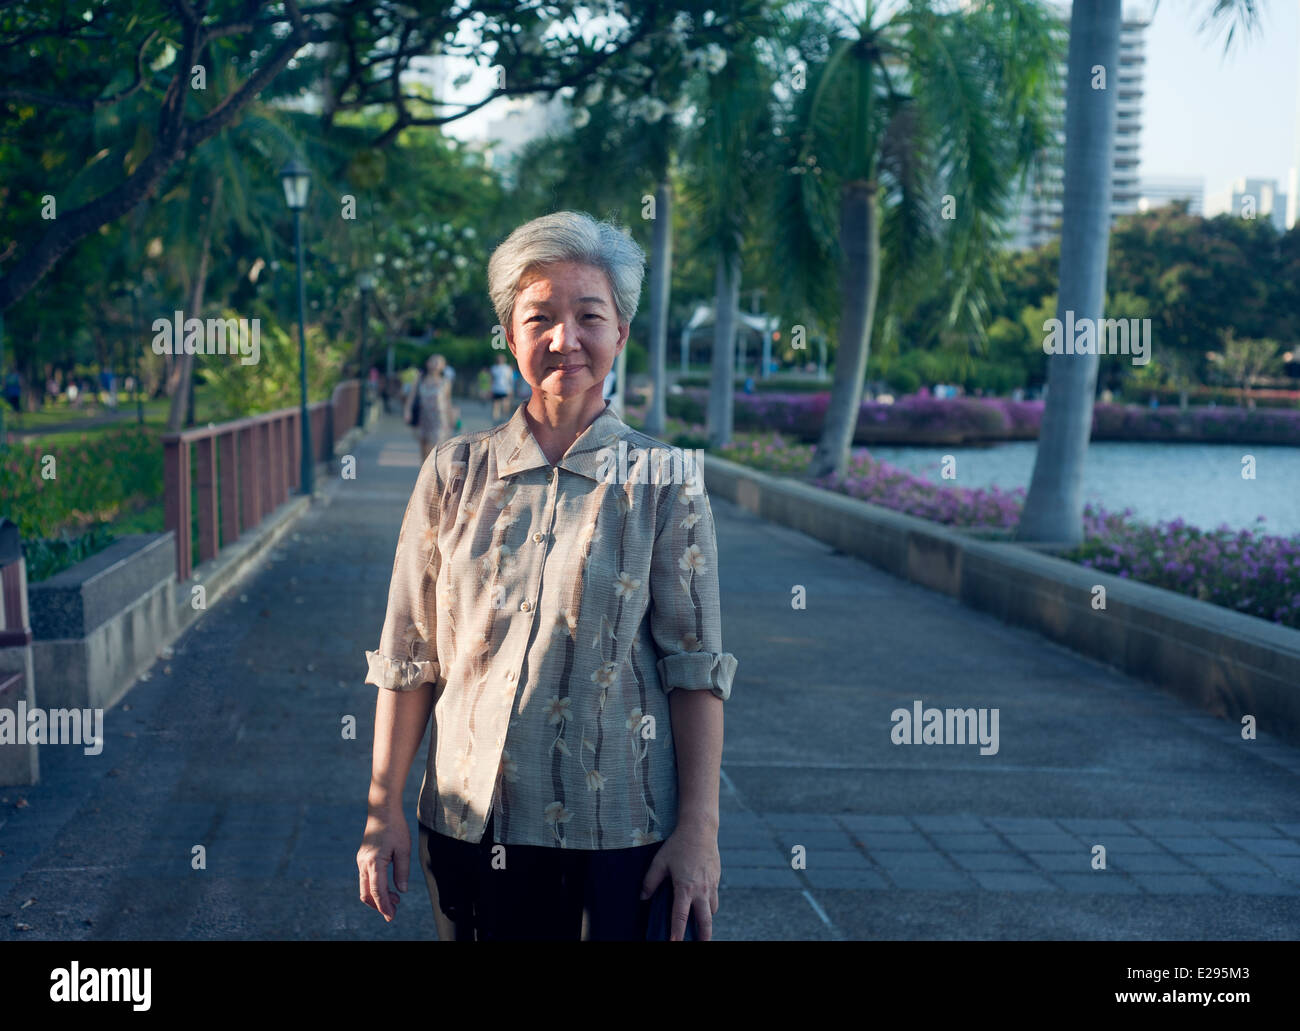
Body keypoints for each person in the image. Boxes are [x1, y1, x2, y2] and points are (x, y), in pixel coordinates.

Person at [358, 210, 737, 942]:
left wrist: (700, 833)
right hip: (469, 823)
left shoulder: (664, 480)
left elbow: (695, 668)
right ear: (510, 336)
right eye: (540, 317)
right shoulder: (452, 473)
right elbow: (409, 655)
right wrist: (382, 814)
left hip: (620, 835)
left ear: (621, 332)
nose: (565, 338)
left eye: (589, 315)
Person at [404, 355, 453, 462]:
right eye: (433, 361)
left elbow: (448, 402)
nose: (435, 365)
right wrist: (407, 411)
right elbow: (411, 397)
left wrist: (452, 419)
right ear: (427, 364)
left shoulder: (445, 382)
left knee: (432, 450)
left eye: (439, 362)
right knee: (423, 449)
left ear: (443, 366)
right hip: (423, 418)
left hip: (439, 420)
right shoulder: (420, 379)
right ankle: (425, 472)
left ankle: (431, 475)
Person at [490, 352, 513, 422]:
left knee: (505, 404)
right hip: (496, 389)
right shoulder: (494, 368)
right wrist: (490, 389)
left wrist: (511, 389)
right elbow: (492, 379)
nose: (500, 360)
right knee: (496, 404)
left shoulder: (507, 368)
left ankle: (505, 418)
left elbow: (510, 379)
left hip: (505, 389)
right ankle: (495, 419)